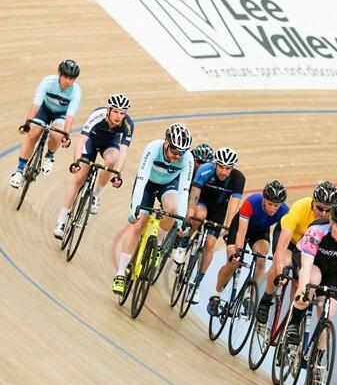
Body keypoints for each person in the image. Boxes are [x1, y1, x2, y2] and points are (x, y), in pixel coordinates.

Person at [111, 123, 194, 294]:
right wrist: (135, 208)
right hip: (147, 184)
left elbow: (184, 191)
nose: (176, 157)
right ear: (166, 143)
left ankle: (160, 245)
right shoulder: (153, 149)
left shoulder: (187, 159)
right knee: (137, 225)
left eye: (180, 153)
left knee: (172, 208)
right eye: (174, 152)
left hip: (169, 185)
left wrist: (181, 222)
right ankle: (120, 273)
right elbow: (141, 180)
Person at [256, 181, 337, 323]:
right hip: (290, 240)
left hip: (306, 248)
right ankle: (266, 299)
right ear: (313, 202)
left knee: (299, 281)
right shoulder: (300, 207)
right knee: (283, 263)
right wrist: (280, 270)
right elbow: (281, 248)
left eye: (328, 210)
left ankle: (291, 318)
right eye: (320, 208)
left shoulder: (333, 219)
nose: (324, 213)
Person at [52, 94, 133, 239]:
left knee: (112, 160)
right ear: (108, 110)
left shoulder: (128, 124)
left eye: (122, 113)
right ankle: (61, 221)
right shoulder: (98, 115)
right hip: (91, 142)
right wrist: (76, 161)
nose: (118, 116)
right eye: (115, 111)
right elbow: (82, 140)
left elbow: (124, 151)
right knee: (79, 178)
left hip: (109, 145)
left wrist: (117, 174)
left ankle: (95, 195)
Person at [285, 197, 337, 343]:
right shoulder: (317, 230)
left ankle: (318, 359)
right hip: (310, 261)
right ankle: (293, 324)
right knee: (313, 279)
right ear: (331, 221)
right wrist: (303, 290)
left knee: (327, 316)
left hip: (333, 271)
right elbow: (306, 267)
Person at [207, 180, 289, 316]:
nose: (273, 208)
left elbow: (282, 236)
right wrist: (238, 252)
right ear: (264, 200)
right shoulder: (252, 202)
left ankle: (249, 295)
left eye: (276, 205)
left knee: (262, 259)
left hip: (260, 232)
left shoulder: (285, 211)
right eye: (270, 204)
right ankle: (216, 293)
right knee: (233, 261)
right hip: (240, 227)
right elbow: (241, 232)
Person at [177, 147, 245, 304]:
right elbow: (194, 196)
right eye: (221, 166)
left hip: (219, 209)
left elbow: (233, 208)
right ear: (215, 164)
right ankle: (184, 243)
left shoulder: (238, 179)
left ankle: (196, 284)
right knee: (199, 215)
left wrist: (229, 231)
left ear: (232, 168)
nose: (223, 171)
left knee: (210, 244)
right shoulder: (205, 170)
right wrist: (189, 216)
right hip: (202, 202)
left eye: (228, 168)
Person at [10, 59, 81, 188]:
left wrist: (66, 136)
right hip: (44, 109)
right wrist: (27, 123)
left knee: (56, 135)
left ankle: (50, 156)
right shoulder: (48, 82)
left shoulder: (76, 92)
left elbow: (70, 117)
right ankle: (19, 171)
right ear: (59, 74)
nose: (68, 81)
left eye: (71, 79)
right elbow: (36, 104)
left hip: (61, 114)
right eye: (65, 77)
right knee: (33, 134)